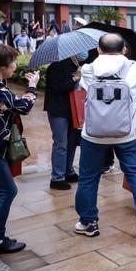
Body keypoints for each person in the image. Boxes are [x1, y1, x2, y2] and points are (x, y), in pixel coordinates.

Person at [75, 33, 136, 239]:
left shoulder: (88, 69)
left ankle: (89, 222)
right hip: (126, 133)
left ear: (98, 50)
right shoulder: (135, 68)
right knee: (135, 173)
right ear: (124, 50)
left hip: (93, 135)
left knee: (88, 177)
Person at [0, 44, 39, 254]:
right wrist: (32, 87)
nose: (15, 66)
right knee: (8, 190)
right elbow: (22, 107)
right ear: (2, 66)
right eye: (13, 62)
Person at [44, 55, 84, 190]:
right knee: (61, 143)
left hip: (73, 109)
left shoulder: (76, 65)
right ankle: (57, 178)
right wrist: (75, 78)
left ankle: (69, 171)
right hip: (58, 109)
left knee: (72, 142)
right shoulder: (56, 65)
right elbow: (56, 87)